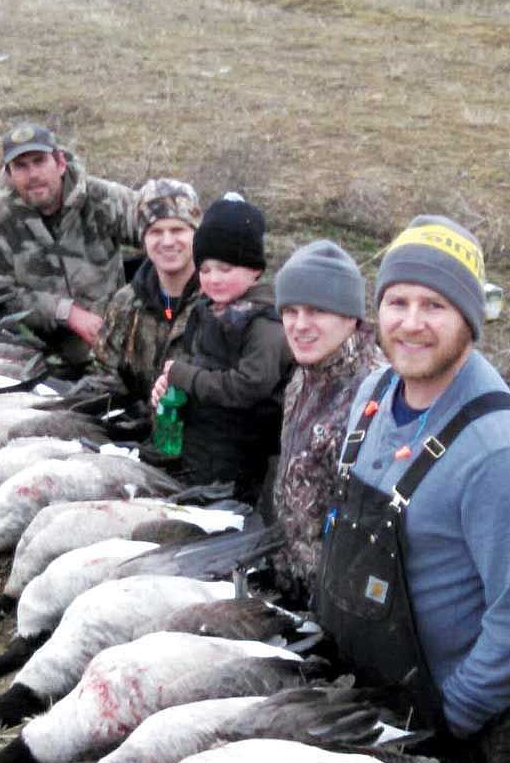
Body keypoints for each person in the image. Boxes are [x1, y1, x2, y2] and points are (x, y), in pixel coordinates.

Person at [317, 215, 510, 763]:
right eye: (397, 302)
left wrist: (451, 719)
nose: (412, 324)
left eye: (435, 305)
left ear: (470, 322)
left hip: (442, 733)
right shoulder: (374, 393)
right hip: (358, 700)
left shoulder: (501, 454)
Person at [151, 194, 292, 503]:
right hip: (198, 457)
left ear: (254, 270)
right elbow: (188, 358)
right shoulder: (204, 309)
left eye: (225, 269)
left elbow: (249, 386)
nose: (213, 279)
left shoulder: (267, 323)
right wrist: (167, 384)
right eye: (205, 270)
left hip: (243, 472)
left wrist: (186, 377)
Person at [0, 122, 138, 362]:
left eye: (39, 161)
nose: (33, 174)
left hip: (115, 338)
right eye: (21, 166)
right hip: (34, 353)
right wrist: (65, 312)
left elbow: (159, 229)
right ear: (9, 173)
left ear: (59, 163)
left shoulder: (102, 199)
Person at [271, 239, 381, 605]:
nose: (300, 325)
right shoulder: (305, 375)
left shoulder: (375, 394)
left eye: (316, 311)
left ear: (350, 316)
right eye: (290, 311)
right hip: (291, 586)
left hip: (339, 603)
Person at [90, 178, 202, 405]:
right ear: (143, 239)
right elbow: (103, 378)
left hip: (198, 433)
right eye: (156, 232)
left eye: (177, 229)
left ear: (196, 233)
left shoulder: (217, 300)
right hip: (131, 428)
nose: (167, 241)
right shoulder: (125, 303)